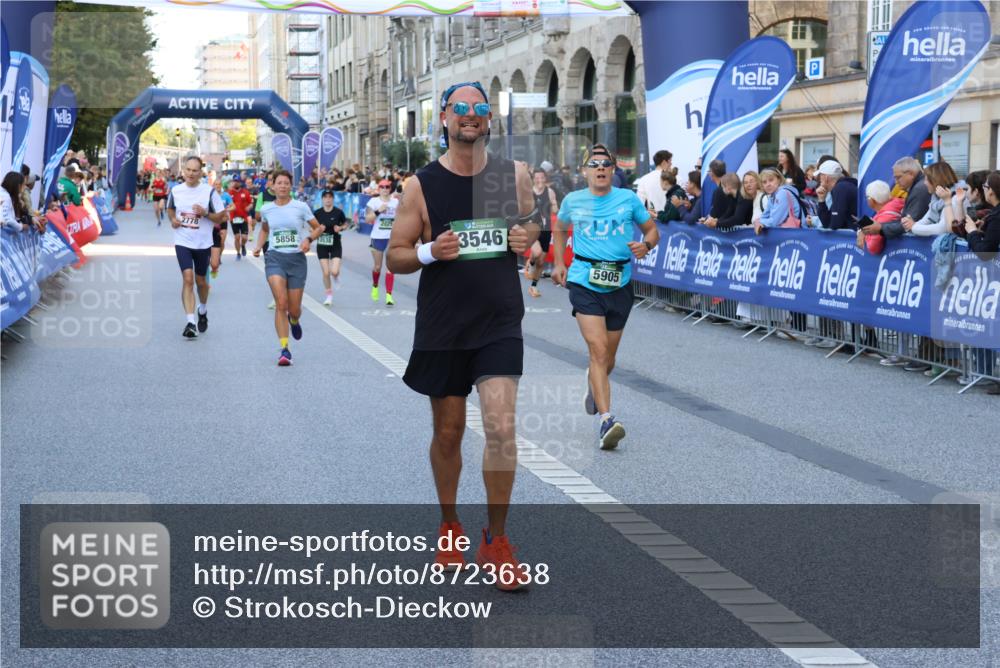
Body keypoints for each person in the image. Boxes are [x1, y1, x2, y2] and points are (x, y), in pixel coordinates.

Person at [386, 80, 538, 587]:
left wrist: (526, 238)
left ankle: (496, 540)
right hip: (444, 323)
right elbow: (396, 255)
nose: (470, 116)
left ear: (489, 120)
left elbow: (531, 229)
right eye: (461, 109)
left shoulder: (508, 175)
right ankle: (449, 525)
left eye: (480, 109)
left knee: (500, 428)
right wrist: (431, 251)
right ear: (445, 120)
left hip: (498, 320)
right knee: (449, 433)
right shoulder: (422, 184)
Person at [551, 143, 659, 451]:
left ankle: (593, 383)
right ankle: (606, 420)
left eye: (605, 164)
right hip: (585, 281)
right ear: (585, 171)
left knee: (608, 359)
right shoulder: (573, 200)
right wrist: (559, 262)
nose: (600, 168)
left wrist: (646, 246)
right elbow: (559, 231)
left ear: (613, 171)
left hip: (620, 282)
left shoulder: (628, 199)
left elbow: (652, 231)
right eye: (594, 164)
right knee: (598, 350)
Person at [252, 170, 324, 366]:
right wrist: (259, 246)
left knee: (294, 309)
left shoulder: (300, 207)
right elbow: (265, 230)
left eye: (286, 183)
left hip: (296, 260)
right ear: (272, 186)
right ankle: (285, 349)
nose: (282, 186)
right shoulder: (267, 209)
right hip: (274, 258)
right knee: (281, 303)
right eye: (279, 183)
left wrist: (308, 239)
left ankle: (294, 320)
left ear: (290, 187)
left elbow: (319, 227)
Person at [165, 156, 227, 339]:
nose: (191, 174)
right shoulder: (176, 190)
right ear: (183, 170)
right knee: (188, 278)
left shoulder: (208, 192)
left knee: (201, 282)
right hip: (183, 241)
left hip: (203, 243)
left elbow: (221, 217)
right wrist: (173, 220)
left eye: (195, 171)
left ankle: (203, 309)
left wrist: (206, 213)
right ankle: (190, 322)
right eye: (188, 170)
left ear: (201, 172)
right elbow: (170, 209)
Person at [903, 161, 960, 238]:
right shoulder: (936, 198)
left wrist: (913, 227)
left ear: (936, 180)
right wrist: (912, 225)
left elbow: (942, 228)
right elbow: (926, 220)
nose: (925, 183)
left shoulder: (956, 198)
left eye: (926, 180)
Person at [365, 179, 398, 306]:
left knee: (391, 267)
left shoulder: (396, 202)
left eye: (387, 187)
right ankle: (375, 286)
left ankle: (389, 295)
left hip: (392, 238)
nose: (385, 189)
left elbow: (401, 217)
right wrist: (378, 211)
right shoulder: (373, 201)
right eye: (382, 187)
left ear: (390, 189)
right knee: (378, 267)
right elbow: (368, 219)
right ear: (378, 189)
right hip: (377, 237)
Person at [526, 168, 558, 298]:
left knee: (541, 262)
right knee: (537, 252)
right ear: (533, 179)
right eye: (537, 177)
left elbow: (555, 208)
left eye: (542, 177)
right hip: (532, 229)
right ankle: (531, 263)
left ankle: (533, 286)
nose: (540, 180)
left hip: (546, 230)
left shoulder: (549, 192)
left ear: (545, 179)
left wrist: (555, 206)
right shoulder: (528, 192)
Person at [314, 189, 348, 306]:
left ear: (333, 199)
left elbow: (345, 223)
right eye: (325, 197)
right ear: (322, 199)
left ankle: (336, 277)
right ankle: (329, 295)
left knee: (334, 271)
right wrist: (318, 229)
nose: (328, 199)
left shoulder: (338, 212)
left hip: (335, 244)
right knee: (326, 272)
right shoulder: (317, 213)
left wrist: (340, 228)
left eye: (330, 197)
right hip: (322, 245)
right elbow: (310, 228)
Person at [857, 179, 904, 255]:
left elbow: (873, 247)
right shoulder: (894, 206)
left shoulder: (886, 215)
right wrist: (862, 231)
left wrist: (865, 234)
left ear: (871, 200)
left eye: (866, 197)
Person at [752, 167, 802, 232]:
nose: (768, 184)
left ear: (779, 179)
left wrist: (758, 222)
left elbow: (774, 221)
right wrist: (760, 221)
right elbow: (764, 216)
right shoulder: (773, 195)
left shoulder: (782, 193)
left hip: (797, 234)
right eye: (764, 182)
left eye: (771, 180)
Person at [815, 160, 858, 230]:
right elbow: (827, 223)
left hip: (854, 238)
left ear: (826, 177)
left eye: (820, 175)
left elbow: (834, 225)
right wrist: (821, 200)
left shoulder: (841, 188)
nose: (819, 179)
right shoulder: (842, 186)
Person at [635, 150, 674, 214]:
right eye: (670, 161)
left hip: (652, 219)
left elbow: (639, 204)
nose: (671, 164)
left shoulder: (644, 179)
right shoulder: (673, 179)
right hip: (670, 220)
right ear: (664, 162)